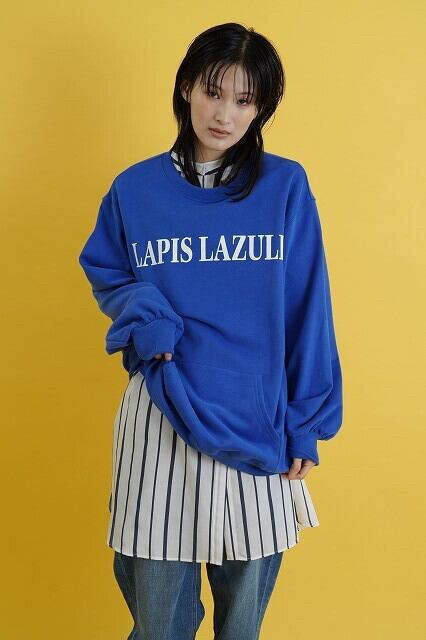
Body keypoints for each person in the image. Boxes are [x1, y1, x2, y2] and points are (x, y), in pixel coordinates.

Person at [78, 22, 343, 640]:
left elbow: (308, 307)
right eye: (213, 92)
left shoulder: (284, 187)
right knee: (158, 627)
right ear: (186, 88)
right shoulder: (134, 190)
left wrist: (306, 422)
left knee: (241, 628)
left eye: (245, 101)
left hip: (258, 423)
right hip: (161, 415)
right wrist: (147, 314)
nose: (225, 115)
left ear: (262, 109)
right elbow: (108, 271)